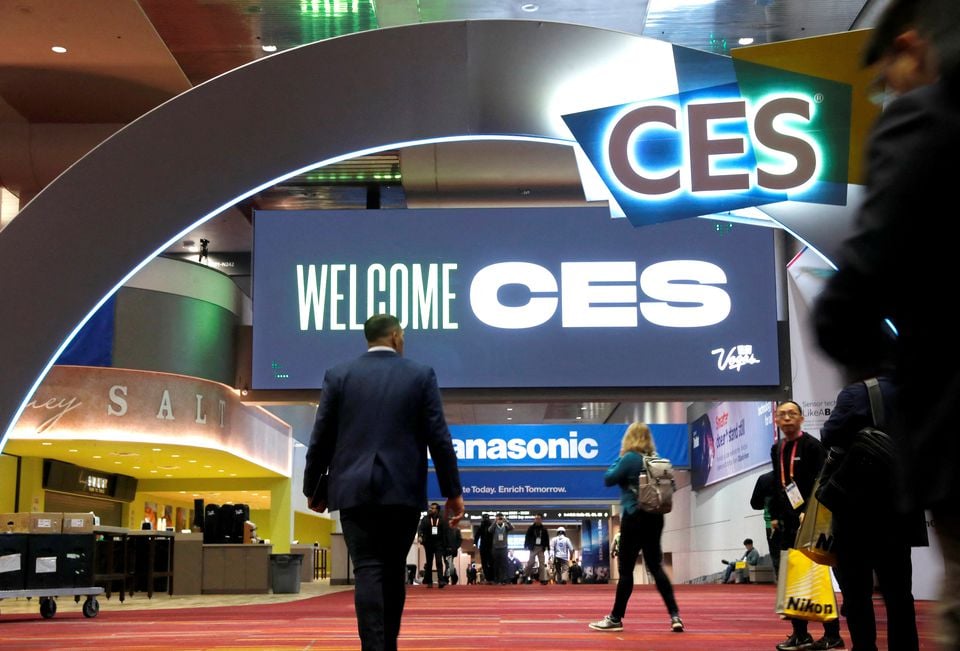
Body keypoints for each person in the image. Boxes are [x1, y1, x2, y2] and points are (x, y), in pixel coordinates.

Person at [814, 0, 960, 646]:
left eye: (884, 81)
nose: (889, 94)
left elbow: (854, 297)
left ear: (911, 48)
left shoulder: (928, 120)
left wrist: (887, 373)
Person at [302, 314, 464, 651]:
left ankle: (373, 648)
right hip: (402, 491)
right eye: (402, 336)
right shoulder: (420, 375)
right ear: (395, 336)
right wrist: (453, 492)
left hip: (353, 491)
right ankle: (388, 645)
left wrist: (312, 487)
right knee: (392, 569)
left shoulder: (339, 375)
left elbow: (321, 439)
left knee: (367, 569)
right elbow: (439, 437)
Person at [821, 376, 923, 651]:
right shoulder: (911, 390)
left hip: (856, 510)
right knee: (899, 594)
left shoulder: (856, 393)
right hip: (899, 507)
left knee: (857, 594)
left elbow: (829, 435)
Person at [589, 422, 683, 634]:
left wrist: (621, 457)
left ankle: (615, 618)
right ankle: (675, 615)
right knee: (656, 566)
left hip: (634, 517)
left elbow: (609, 478)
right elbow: (672, 487)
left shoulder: (630, 458)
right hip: (656, 518)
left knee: (625, 571)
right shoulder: (657, 460)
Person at [769, 402, 844, 651]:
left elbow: (823, 480)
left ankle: (832, 634)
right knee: (792, 580)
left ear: (801, 418)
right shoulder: (777, 448)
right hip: (787, 525)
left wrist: (808, 512)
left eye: (792, 414)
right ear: (776, 420)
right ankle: (800, 634)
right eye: (782, 415)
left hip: (809, 523)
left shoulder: (812, 446)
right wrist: (777, 517)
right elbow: (779, 485)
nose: (787, 418)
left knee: (816, 578)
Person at [751, 470, 782, 579]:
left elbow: (754, 503)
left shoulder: (764, 479)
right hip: (793, 522)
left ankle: (781, 580)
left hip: (771, 525)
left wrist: (766, 504)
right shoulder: (793, 474)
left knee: (776, 555)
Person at [418, 503, 447, 588]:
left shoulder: (442, 520)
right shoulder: (425, 519)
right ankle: (429, 581)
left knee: (439, 562)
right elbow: (420, 528)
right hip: (428, 544)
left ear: (437, 510)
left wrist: (446, 545)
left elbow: (445, 532)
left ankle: (441, 580)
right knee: (429, 563)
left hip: (439, 544)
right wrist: (420, 536)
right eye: (430, 508)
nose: (431, 509)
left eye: (433, 508)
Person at [523, 514, 550, 585]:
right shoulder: (531, 528)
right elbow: (527, 537)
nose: (537, 520)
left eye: (539, 519)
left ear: (541, 520)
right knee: (531, 563)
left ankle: (543, 579)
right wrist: (526, 545)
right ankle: (526, 577)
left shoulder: (544, 529)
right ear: (534, 520)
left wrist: (548, 547)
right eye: (536, 518)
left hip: (541, 547)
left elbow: (547, 539)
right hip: (533, 547)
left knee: (542, 564)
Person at [488, 512, 513, 584]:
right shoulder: (494, 526)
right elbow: (489, 530)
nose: (500, 520)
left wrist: (506, 521)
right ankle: (496, 579)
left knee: (504, 565)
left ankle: (504, 580)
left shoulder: (505, 526)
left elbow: (512, 528)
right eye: (498, 518)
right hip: (495, 548)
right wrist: (494, 521)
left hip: (504, 548)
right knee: (496, 565)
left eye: (501, 518)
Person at [474, 514, 494, 584]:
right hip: (483, 547)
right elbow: (477, 536)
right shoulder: (481, 527)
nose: (485, 519)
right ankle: (488, 578)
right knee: (484, 563)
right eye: (484, 518)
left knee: (491, 563)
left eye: (486, 518)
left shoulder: (492, 527)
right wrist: (475, 543)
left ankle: (491, 578)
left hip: (491, 547)